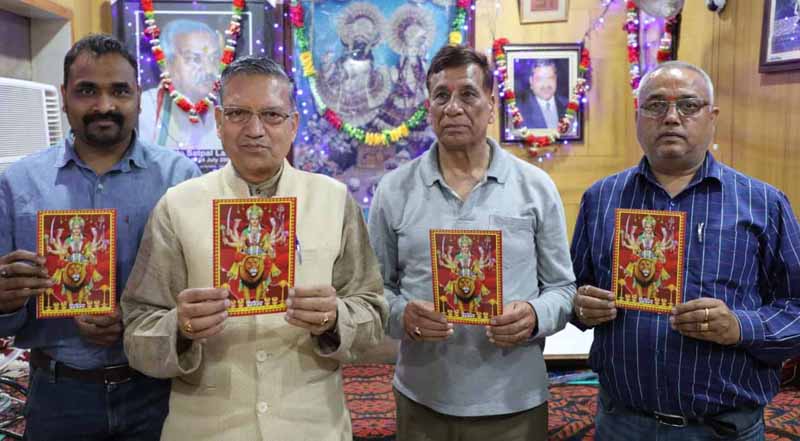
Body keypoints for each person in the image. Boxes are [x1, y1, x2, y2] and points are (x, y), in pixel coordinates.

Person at [121, 55, 388, 440]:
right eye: (237, 114)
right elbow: (138, 329)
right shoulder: (178, 205)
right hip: (205, 427)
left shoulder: (332, 200)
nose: (255, 130)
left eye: (272, 115)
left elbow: (373, 312)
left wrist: (335, 319)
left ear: (293, 124)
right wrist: (179, 328)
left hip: (312, 425)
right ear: (217, 121)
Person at [571, 60, 800, 440]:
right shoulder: (601, 198)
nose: (672, 117)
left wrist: (740, 326)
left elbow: (796, 306)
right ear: (638, 117)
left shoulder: (764, 203)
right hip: (623, 423)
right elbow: (573, 288)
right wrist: (581, 306)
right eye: (656, 105)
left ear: (712, 117)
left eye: (689, 105)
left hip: (723, 428)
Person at [368, 45, 576, 441]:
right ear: (428, 107)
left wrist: (534, 315)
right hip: (422, 399)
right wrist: (402, 315)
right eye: (441, 96)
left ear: (492, 104)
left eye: (467, 94)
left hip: (515, 402)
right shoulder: (394, 190)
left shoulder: (535, 187)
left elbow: (563, 290)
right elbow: (374, 291)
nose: (452, 107)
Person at [0, 34, 200, 440]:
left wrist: (139, 320)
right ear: (64, 96)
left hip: (157, 391)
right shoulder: (17, 184)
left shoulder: (180, 180)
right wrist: (6, 301)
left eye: (119, 91)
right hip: (58, 395)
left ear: (138, 98)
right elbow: (4, 313)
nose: (104, 105)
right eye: (87, 91)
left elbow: (199, 290)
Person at [138, 19, 223, 153]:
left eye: (213, 59)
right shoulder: (145, 107)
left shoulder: (229, 105)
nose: (208, 70)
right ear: (167, 64)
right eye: (195, 59)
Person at [515, 59, 567, 130]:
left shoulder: (569, 105)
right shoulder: (518, 112)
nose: (546, 84)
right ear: (531, 81)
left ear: (556, 79)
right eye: (540, 79)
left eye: (550, 78)